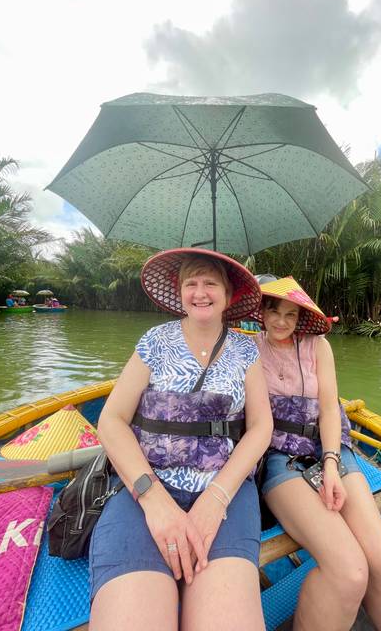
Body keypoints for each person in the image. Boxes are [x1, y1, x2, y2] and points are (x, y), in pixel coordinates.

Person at [89, 248, 273, 631]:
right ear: (180, 291)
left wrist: (216, 498)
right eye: (191, 283)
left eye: (210, 283)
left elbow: (260, 428)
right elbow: (111, 420)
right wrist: (153, 500)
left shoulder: (245, 350)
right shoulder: (155, 341)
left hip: (226, 492)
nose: (200, 292)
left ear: (228, 293)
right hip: (145, 487)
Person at [253, 276, 381, 631]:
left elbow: (328, 410)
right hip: (282, 458)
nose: (281, 321)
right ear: (260, 311)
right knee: (351, 571)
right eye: (274, 311)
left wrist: (330, 463)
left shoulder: (317, 346)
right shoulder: (248, 351)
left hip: (330, 447)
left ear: (301, 319)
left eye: (291, 315)